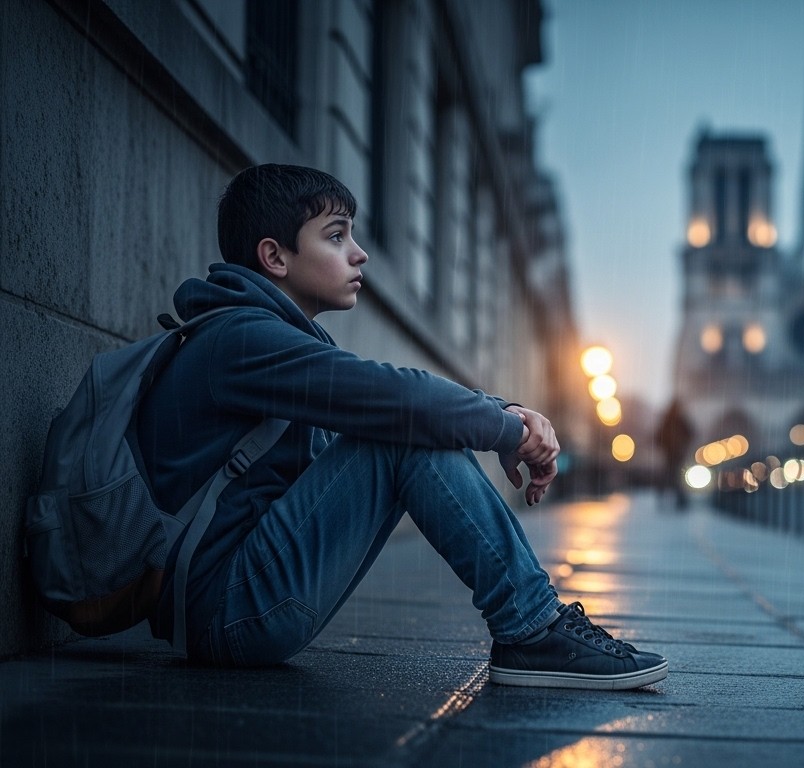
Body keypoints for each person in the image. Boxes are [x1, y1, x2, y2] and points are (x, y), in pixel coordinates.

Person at [135, 163, 666, 690]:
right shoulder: (242, 341)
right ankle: (531, 629)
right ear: (275, 256)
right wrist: (508, 427)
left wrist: (503, 416)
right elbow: (398, 396)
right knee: (405, 432)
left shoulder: (268, 338)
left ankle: (532, 627)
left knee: (408, 425)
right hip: (228, 614)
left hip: (238, 604)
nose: (359, 253)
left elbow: (392, 406)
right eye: (336, 237)